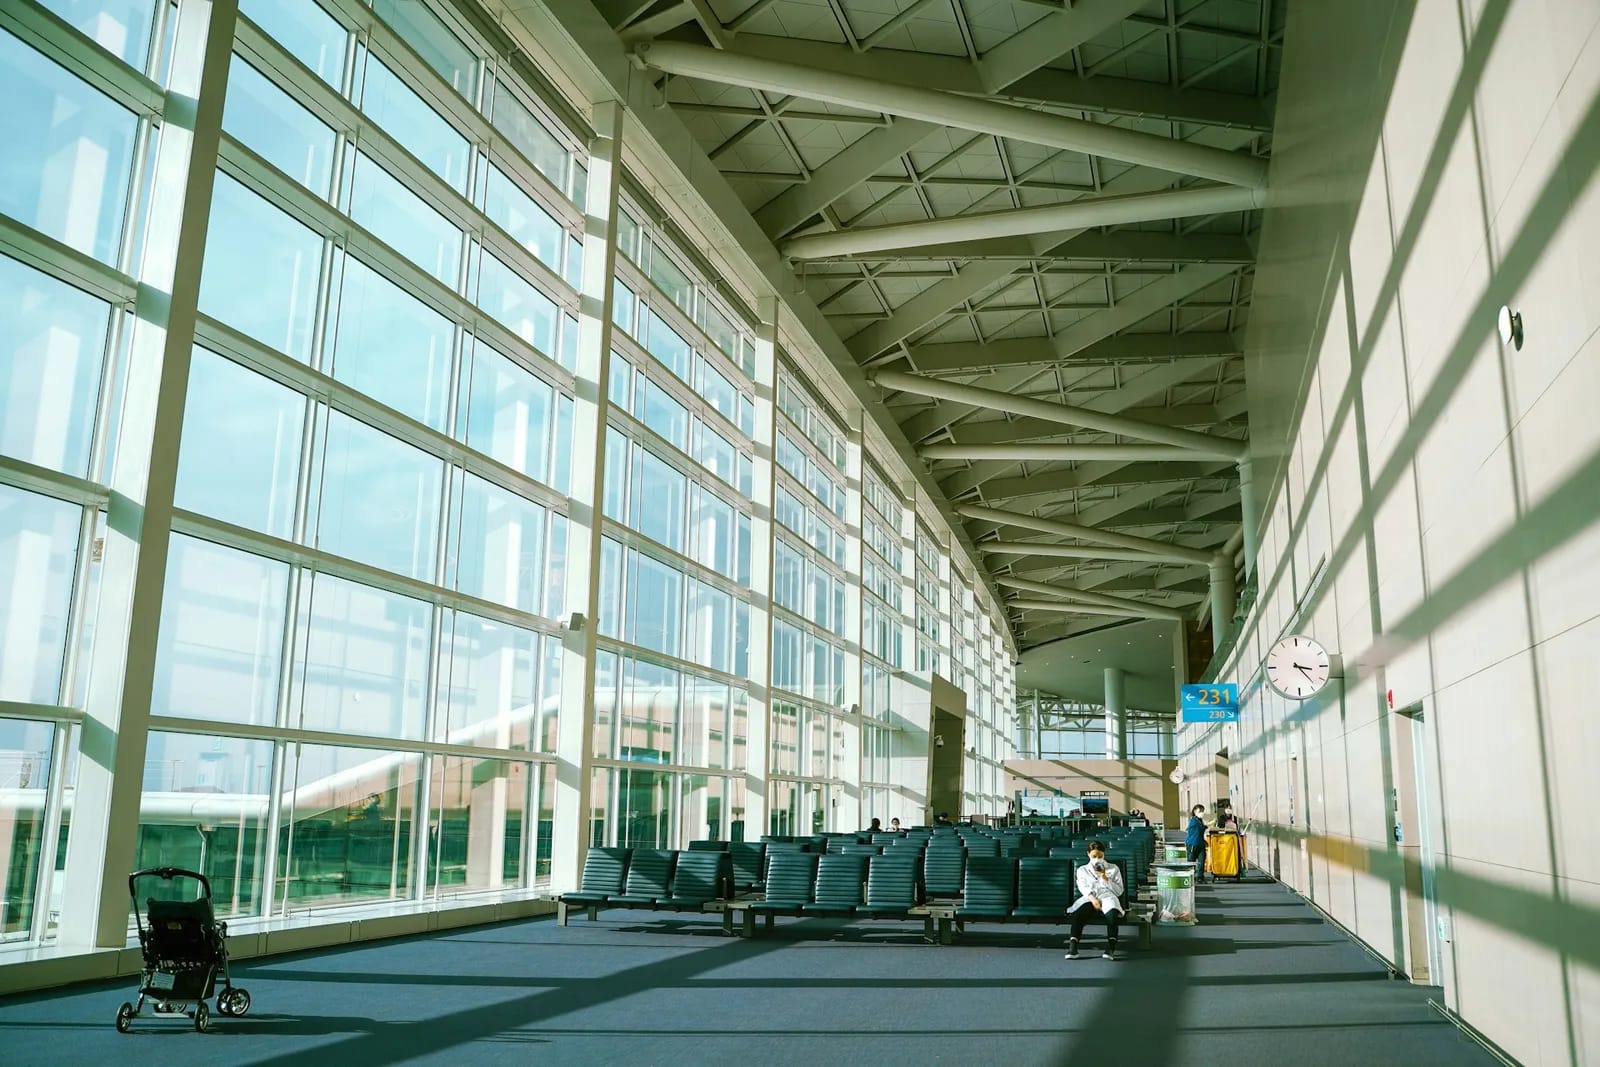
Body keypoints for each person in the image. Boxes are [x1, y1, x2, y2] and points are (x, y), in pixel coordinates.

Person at [1064, 840, 1125, 960]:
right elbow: (1083, 887)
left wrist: (1104, 877)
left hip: (1108, 897)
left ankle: (1111, 947)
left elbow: (1119, 891)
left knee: (1112, 915)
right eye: (1094, 856)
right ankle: (1073, 946)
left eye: (1100, 856)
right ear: (1088, 854)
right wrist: (1093, 899)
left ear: (1104, 855)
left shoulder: (1113, 868)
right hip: (1090, 897)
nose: (1097, 859)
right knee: (1079, 914)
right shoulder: (1082, 870)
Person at [1186, 804, 1209, 883]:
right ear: (1195, 812)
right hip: (1193, 844)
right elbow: (1199, 829)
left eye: (1202, 811)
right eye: (1200, 811)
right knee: (1191, 861)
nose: (1202, 813)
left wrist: (1204, 841)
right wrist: (1207, 826)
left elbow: (1200, 832)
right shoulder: (1193, 821)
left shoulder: (1200, 821)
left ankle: (1200, 877)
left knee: (1201, 861)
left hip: (1200, 844)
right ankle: (1189, 877)